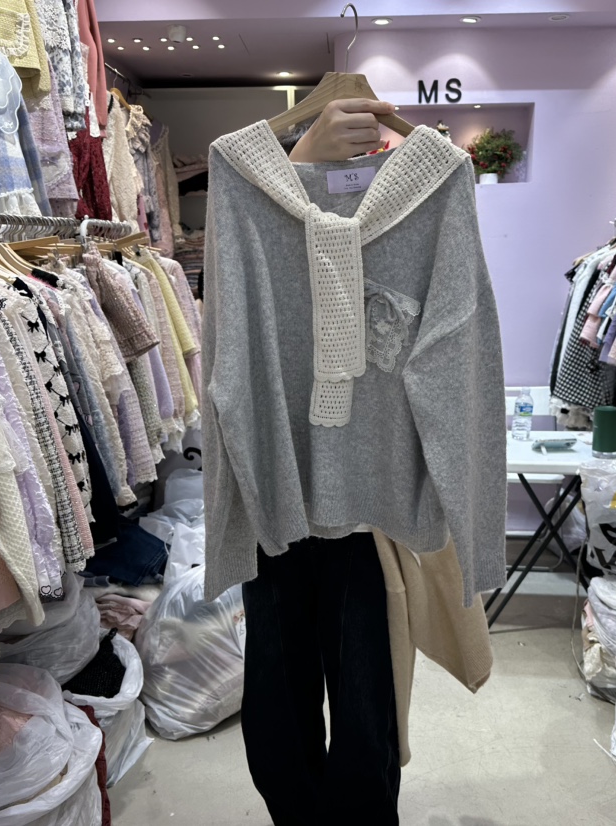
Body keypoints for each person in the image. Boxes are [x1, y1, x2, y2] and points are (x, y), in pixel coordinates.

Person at [239, 97, 402, 826]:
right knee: (281, 695)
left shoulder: (425, 193)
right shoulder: (244, 184)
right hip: (276, 488)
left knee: (365, 700)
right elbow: (230, 360)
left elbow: (457, 348)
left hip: (371, 498)